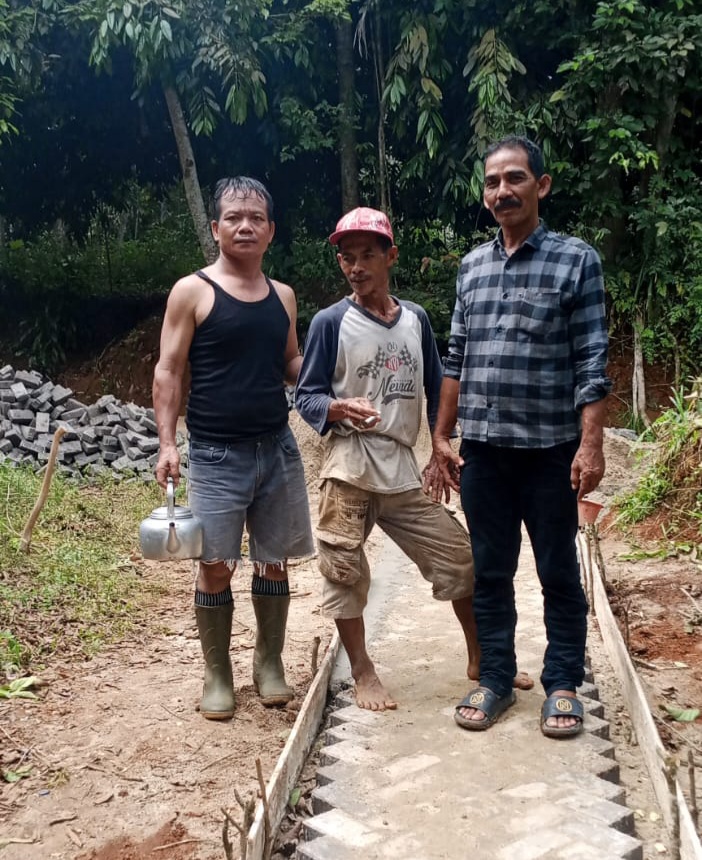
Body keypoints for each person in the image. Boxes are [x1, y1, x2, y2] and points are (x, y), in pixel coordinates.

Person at [295, 206, 516, 712]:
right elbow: (305, 395)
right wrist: (335, 406)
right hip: (348, 468)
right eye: (347, 258)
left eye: (367, 255)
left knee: (460, 557)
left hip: (399, 466)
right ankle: (363, 671)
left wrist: (441, 443)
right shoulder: (332, 322)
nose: (356, 267)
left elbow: (438, 385)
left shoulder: (414, 318)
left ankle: (483, 659)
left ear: (390, 256)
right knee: (343, 569)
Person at [426, 135, 612, 738]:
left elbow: (591, 359)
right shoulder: (472, 266)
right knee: (491, 570)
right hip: (484, 453)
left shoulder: (575, 260)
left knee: (558, 570)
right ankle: (497, 679)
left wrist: (591, 444)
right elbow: (456, 357)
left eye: (514, 178)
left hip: (552, 452)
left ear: (542, 185)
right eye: (492, 182)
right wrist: (442, 436)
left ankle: (562, 683)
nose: (502, 191)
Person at [152, 176, 314, 720]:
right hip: (218, 454)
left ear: (271, 230)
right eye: (234, 217)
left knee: (274, 562)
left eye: (257, 218)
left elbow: (291, 364)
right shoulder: (192, 291)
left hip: (277, 451)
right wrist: (167, 442)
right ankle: (217, 673)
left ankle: (268, 664)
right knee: (216, 564)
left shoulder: (283, 296)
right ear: (217, 228)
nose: (245, 225)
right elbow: (170, 370)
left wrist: (330, 385)